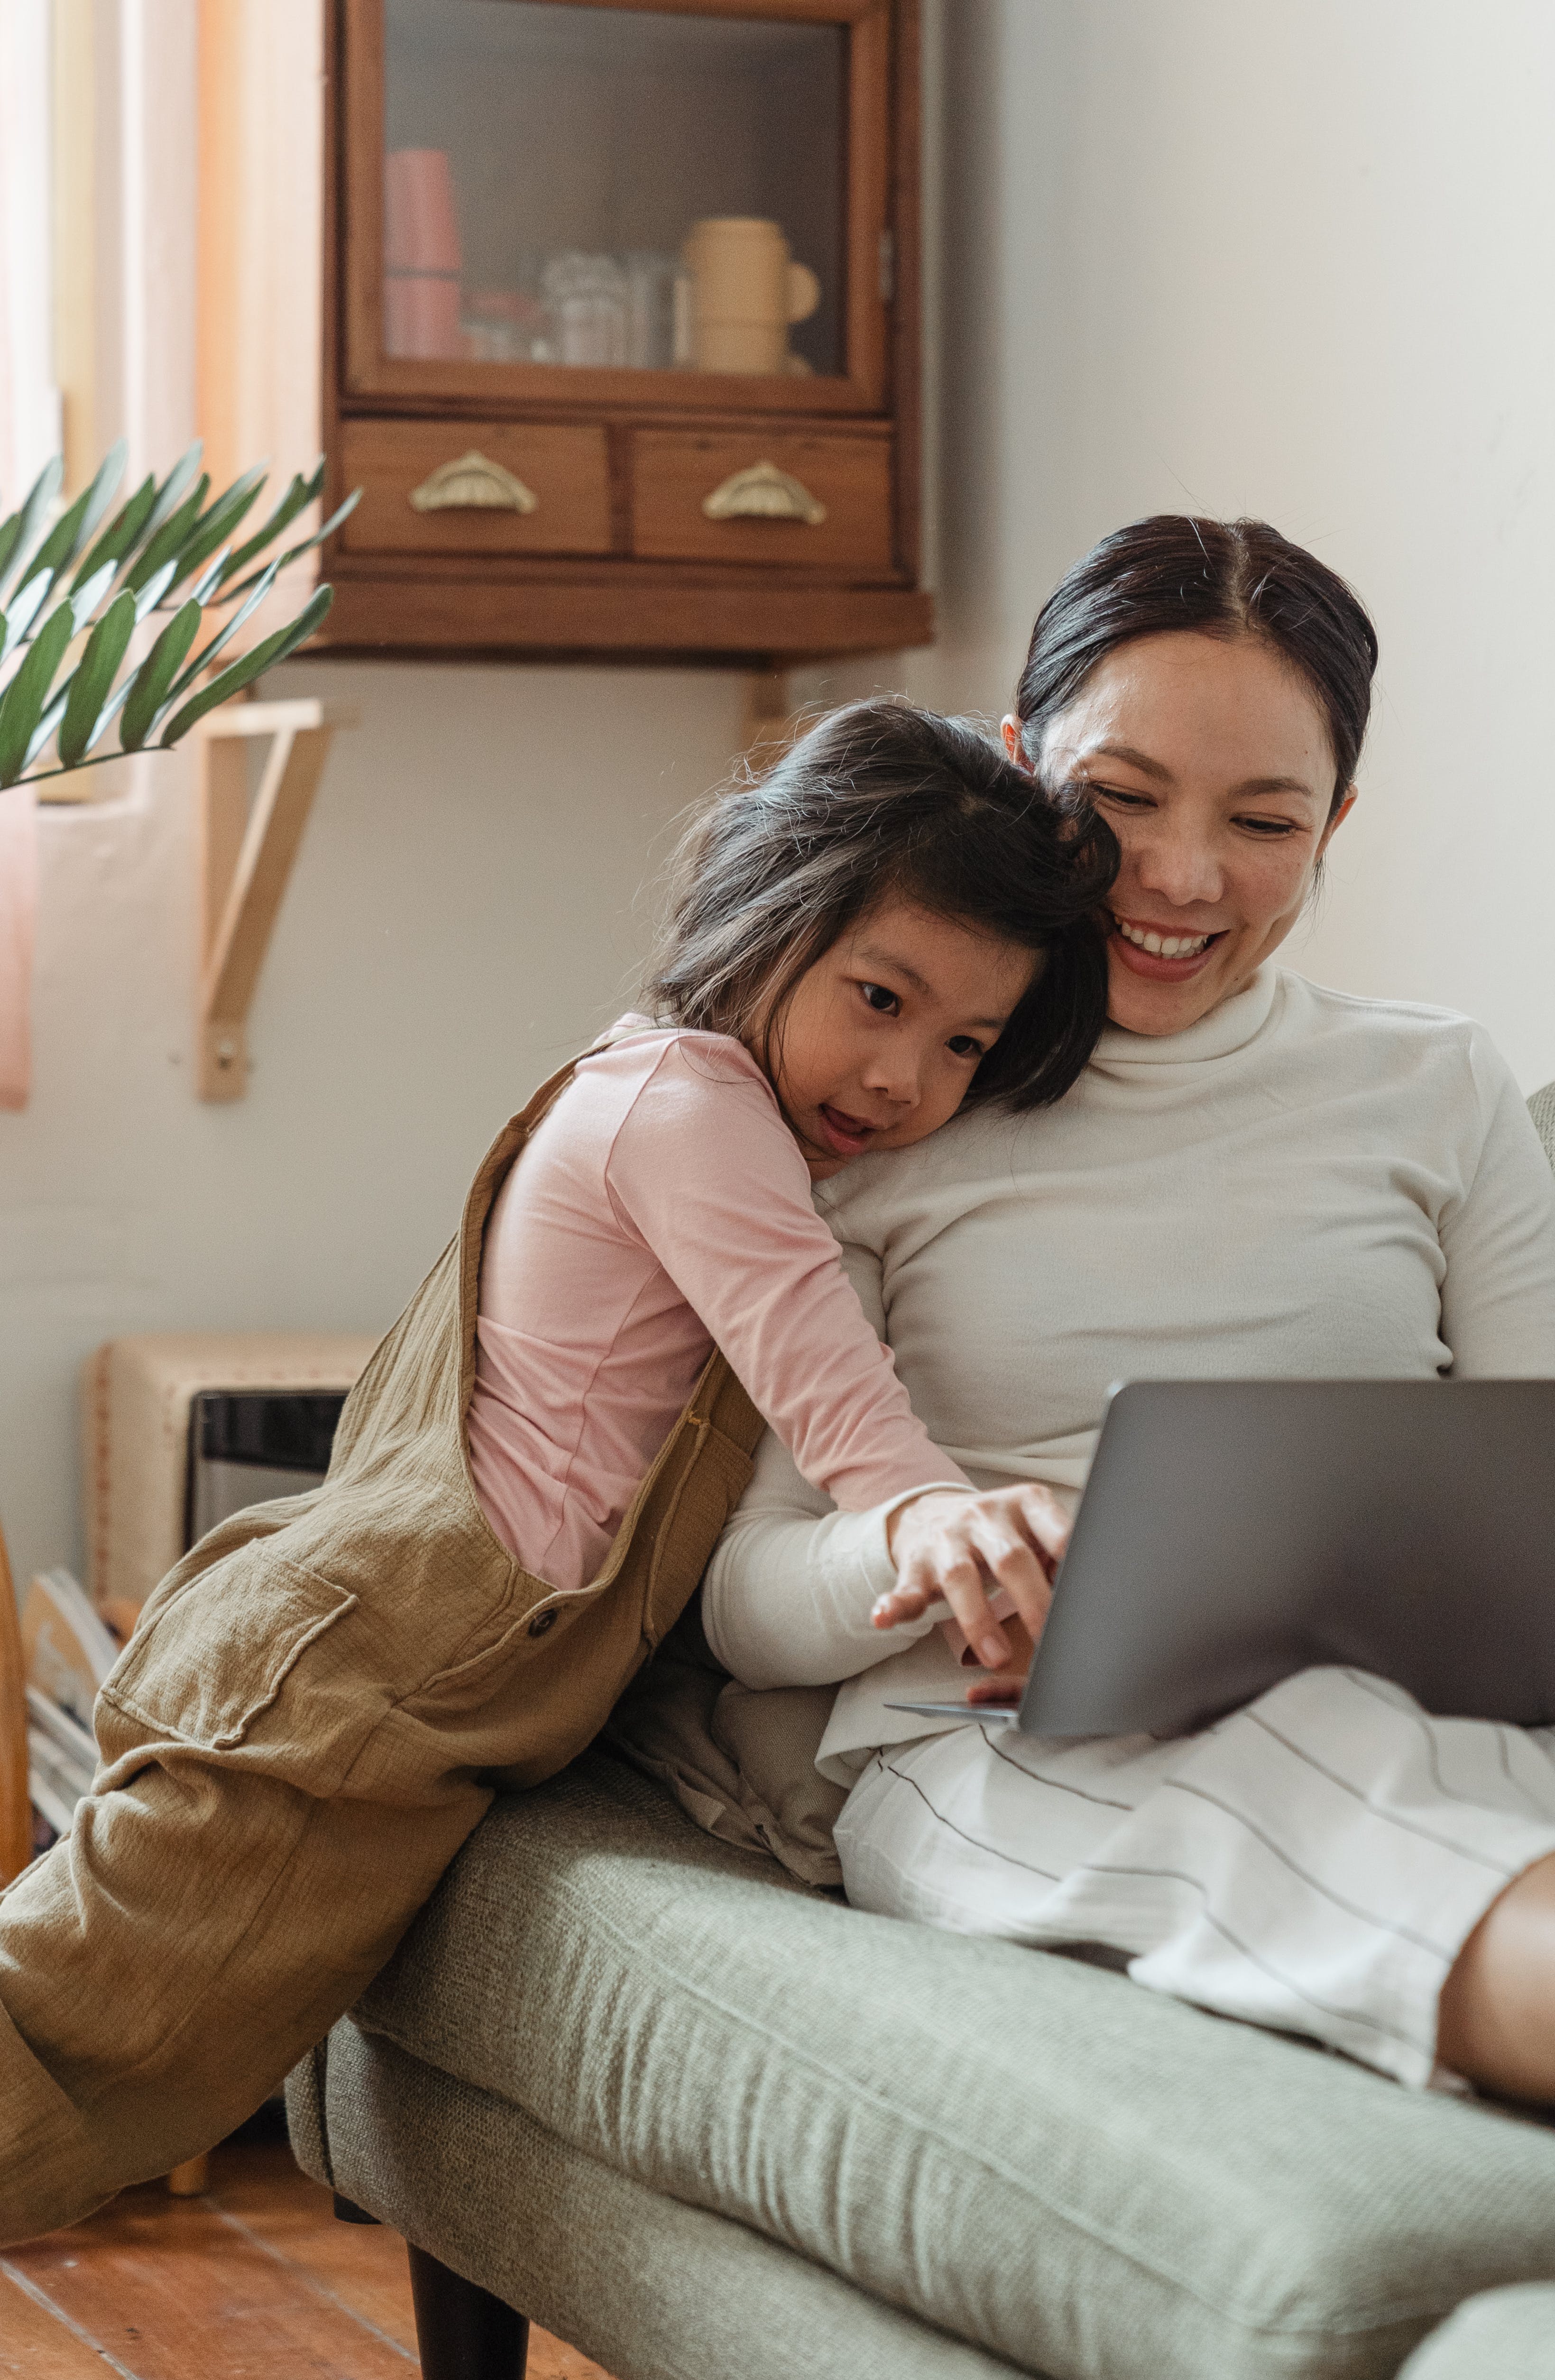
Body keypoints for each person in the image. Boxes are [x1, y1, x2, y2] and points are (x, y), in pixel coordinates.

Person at [701, 517, 1555, 2279]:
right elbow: (747, 1603)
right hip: (1007, 1741)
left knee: (1456, 1774)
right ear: (1015, 763)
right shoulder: (899, 1096)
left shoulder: (1433, 1086)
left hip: (1441, 1705)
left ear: (1335, 829)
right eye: (1118, 799)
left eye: (1264, 823)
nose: (1179, 878)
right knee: (1320, 1770)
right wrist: (928, 1542)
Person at [0, 702, 1116, 2243]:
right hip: (369, 1680)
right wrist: (937, 1516)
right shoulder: (691, 1111)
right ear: (764, 908)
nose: (903, 1076)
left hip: (410, 1689)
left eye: (963, 1046)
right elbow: (827, 1381)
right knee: (74, 2029)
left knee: (119, 2050)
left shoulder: (671, 1097)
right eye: (878, 997)